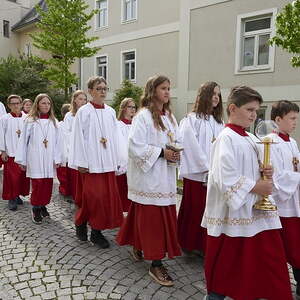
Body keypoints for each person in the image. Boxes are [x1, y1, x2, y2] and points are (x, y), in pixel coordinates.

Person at [202, 86, 293, 300]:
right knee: (226, 269)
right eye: (250, 109)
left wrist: (266, 169)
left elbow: (257, 165)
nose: (254, 115)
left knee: (265, 263)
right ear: (232, 108)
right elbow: (225, 177)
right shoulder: (225, 138)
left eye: (256, 110)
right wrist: (256, 186)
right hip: (234, 216)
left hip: (256, 215)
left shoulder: (251, 138)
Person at [116, 75, 181, 287]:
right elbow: (134, 146)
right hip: (149, 178)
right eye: (163, 88)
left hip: (165, 177)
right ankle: (155, 263)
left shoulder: (170, 117)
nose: (167, 92)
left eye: (169, 88)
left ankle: (137, 245)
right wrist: (162, 153)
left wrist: (176, 152)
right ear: (152, 90)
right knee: (153, 222)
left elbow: (176, 140)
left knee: (144, 216)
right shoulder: (143, 116)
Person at [68, 77, 126, 249]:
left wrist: (118, 160)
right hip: (90, 164)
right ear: (90, 91)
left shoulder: (110, 111)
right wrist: (81, 162)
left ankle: (95, 232)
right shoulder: (84, 112)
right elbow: (77, 137)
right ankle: (81, 222)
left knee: (105, 199)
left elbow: (115, 137)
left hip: (107, 162)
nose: (102, 91)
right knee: (93, 198)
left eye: (105, 88)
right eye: (99, 88)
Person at [178, 81, 224, 254]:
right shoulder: (192, 119)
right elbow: (190, 145)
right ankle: (189, 243)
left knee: (211, 209)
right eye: (213, 94)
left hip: (215, 174)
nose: (216, 97)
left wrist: (218, 168)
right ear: (204, 96)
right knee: (195, 209)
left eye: (218, 95)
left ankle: (206, 245)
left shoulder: (219, 122)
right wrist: (206, 167)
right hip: (198, 175)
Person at [268, 100, 300, 299]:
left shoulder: (292, 141)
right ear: (278, 119)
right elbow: (277, 177)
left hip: (295, 203)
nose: (295, 122)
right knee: (289, 247)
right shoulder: (270, 142)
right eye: (292, 119)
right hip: (283, 206)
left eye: (296, 118)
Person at [15, 93, 63, 224]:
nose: (46, 105)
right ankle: (35, 208)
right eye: (43, 103)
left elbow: (59, 142)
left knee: (47, 184)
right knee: (38, 183)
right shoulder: (30, 121)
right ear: (37, 104)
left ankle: (43, 205)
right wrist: (22, 160)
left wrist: (58, 158)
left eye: (48, 103)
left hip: (49, 158)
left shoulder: (54, 122)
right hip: (35, 156)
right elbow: (23, 141)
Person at [0, 95, 30, 211]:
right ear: (8, 105)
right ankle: (11, 198)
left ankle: (17, 195)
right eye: (13, 103)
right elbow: (1, 135)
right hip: (11, 152)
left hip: (24, 153)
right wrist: (2, 151)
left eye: (18, 103)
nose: (16, 105)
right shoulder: (4, 119)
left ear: (21, 104)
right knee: (12, 178)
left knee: (22, 177)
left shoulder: (27, 118)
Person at [62, 91, 87, 201]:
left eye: (84, 99)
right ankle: (76, 198)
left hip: (86, 150)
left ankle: (85, 198)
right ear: (75, 100)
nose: (83, 101)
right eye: (80, 99)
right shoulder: (69, 116)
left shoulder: (88, 114)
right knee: (75, 177)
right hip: (74, 149)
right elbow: (67, 134)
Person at [116, 98, 136, 212]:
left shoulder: (137, 124)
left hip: (135, 163)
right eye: (130, 107)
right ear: (123, 108)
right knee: (122, 190)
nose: (133, 109)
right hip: (124, 162)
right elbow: (119, 145)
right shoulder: (118, 125)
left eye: (134, 107)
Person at [56, 103, 72, 198]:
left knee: (68, 175)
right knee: (63, 174)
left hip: (70, 153)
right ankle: (64, 189)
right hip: (63, 152)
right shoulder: (59, 125)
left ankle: (68, 189)